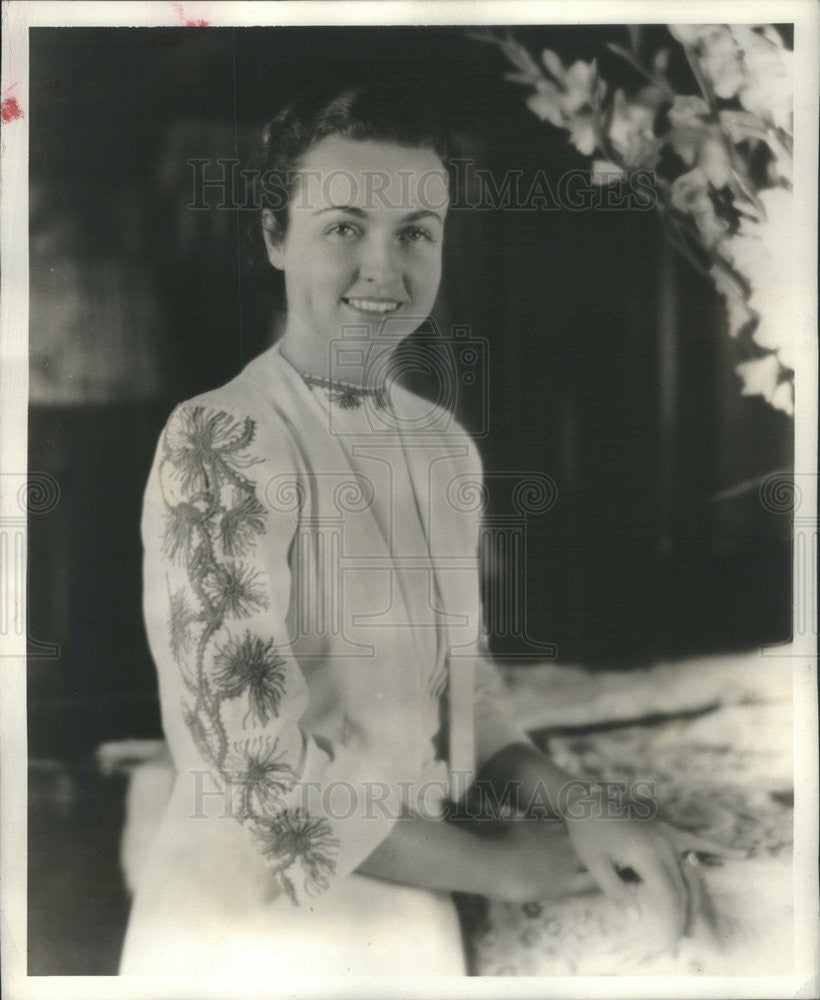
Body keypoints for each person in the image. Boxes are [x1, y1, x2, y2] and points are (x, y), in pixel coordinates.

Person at [119, 83, 737, 978]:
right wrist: (501, 866)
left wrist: (579, 803)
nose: (385, 268)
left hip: (417, 893)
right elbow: (254, 775)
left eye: (416, 231)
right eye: (343, 228)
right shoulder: (220, 439)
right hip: (256, 927)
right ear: (273, 236)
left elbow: (468, 691)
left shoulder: (442, 444)